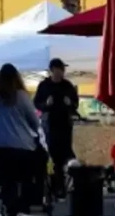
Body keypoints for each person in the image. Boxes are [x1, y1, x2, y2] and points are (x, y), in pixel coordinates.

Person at [0, 63, 43, 216]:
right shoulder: (22, 96)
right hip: (21, 145)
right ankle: (21, 211)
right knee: (24, 179)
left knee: (6, 180)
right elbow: (34, 120)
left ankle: (8, 211)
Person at [34, 58, 81, 199]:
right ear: (52, 70)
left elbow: (75, 103)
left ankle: (66, 185)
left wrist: (70, 103)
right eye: (59, 69)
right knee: (53, 156)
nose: (61, 72)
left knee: (66, 154)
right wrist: (46, 104)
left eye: (63, 70)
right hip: (50, 125)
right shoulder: (44, 85)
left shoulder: (68, 85)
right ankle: (56, 187)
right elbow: (36, 103)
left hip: (65, 125)